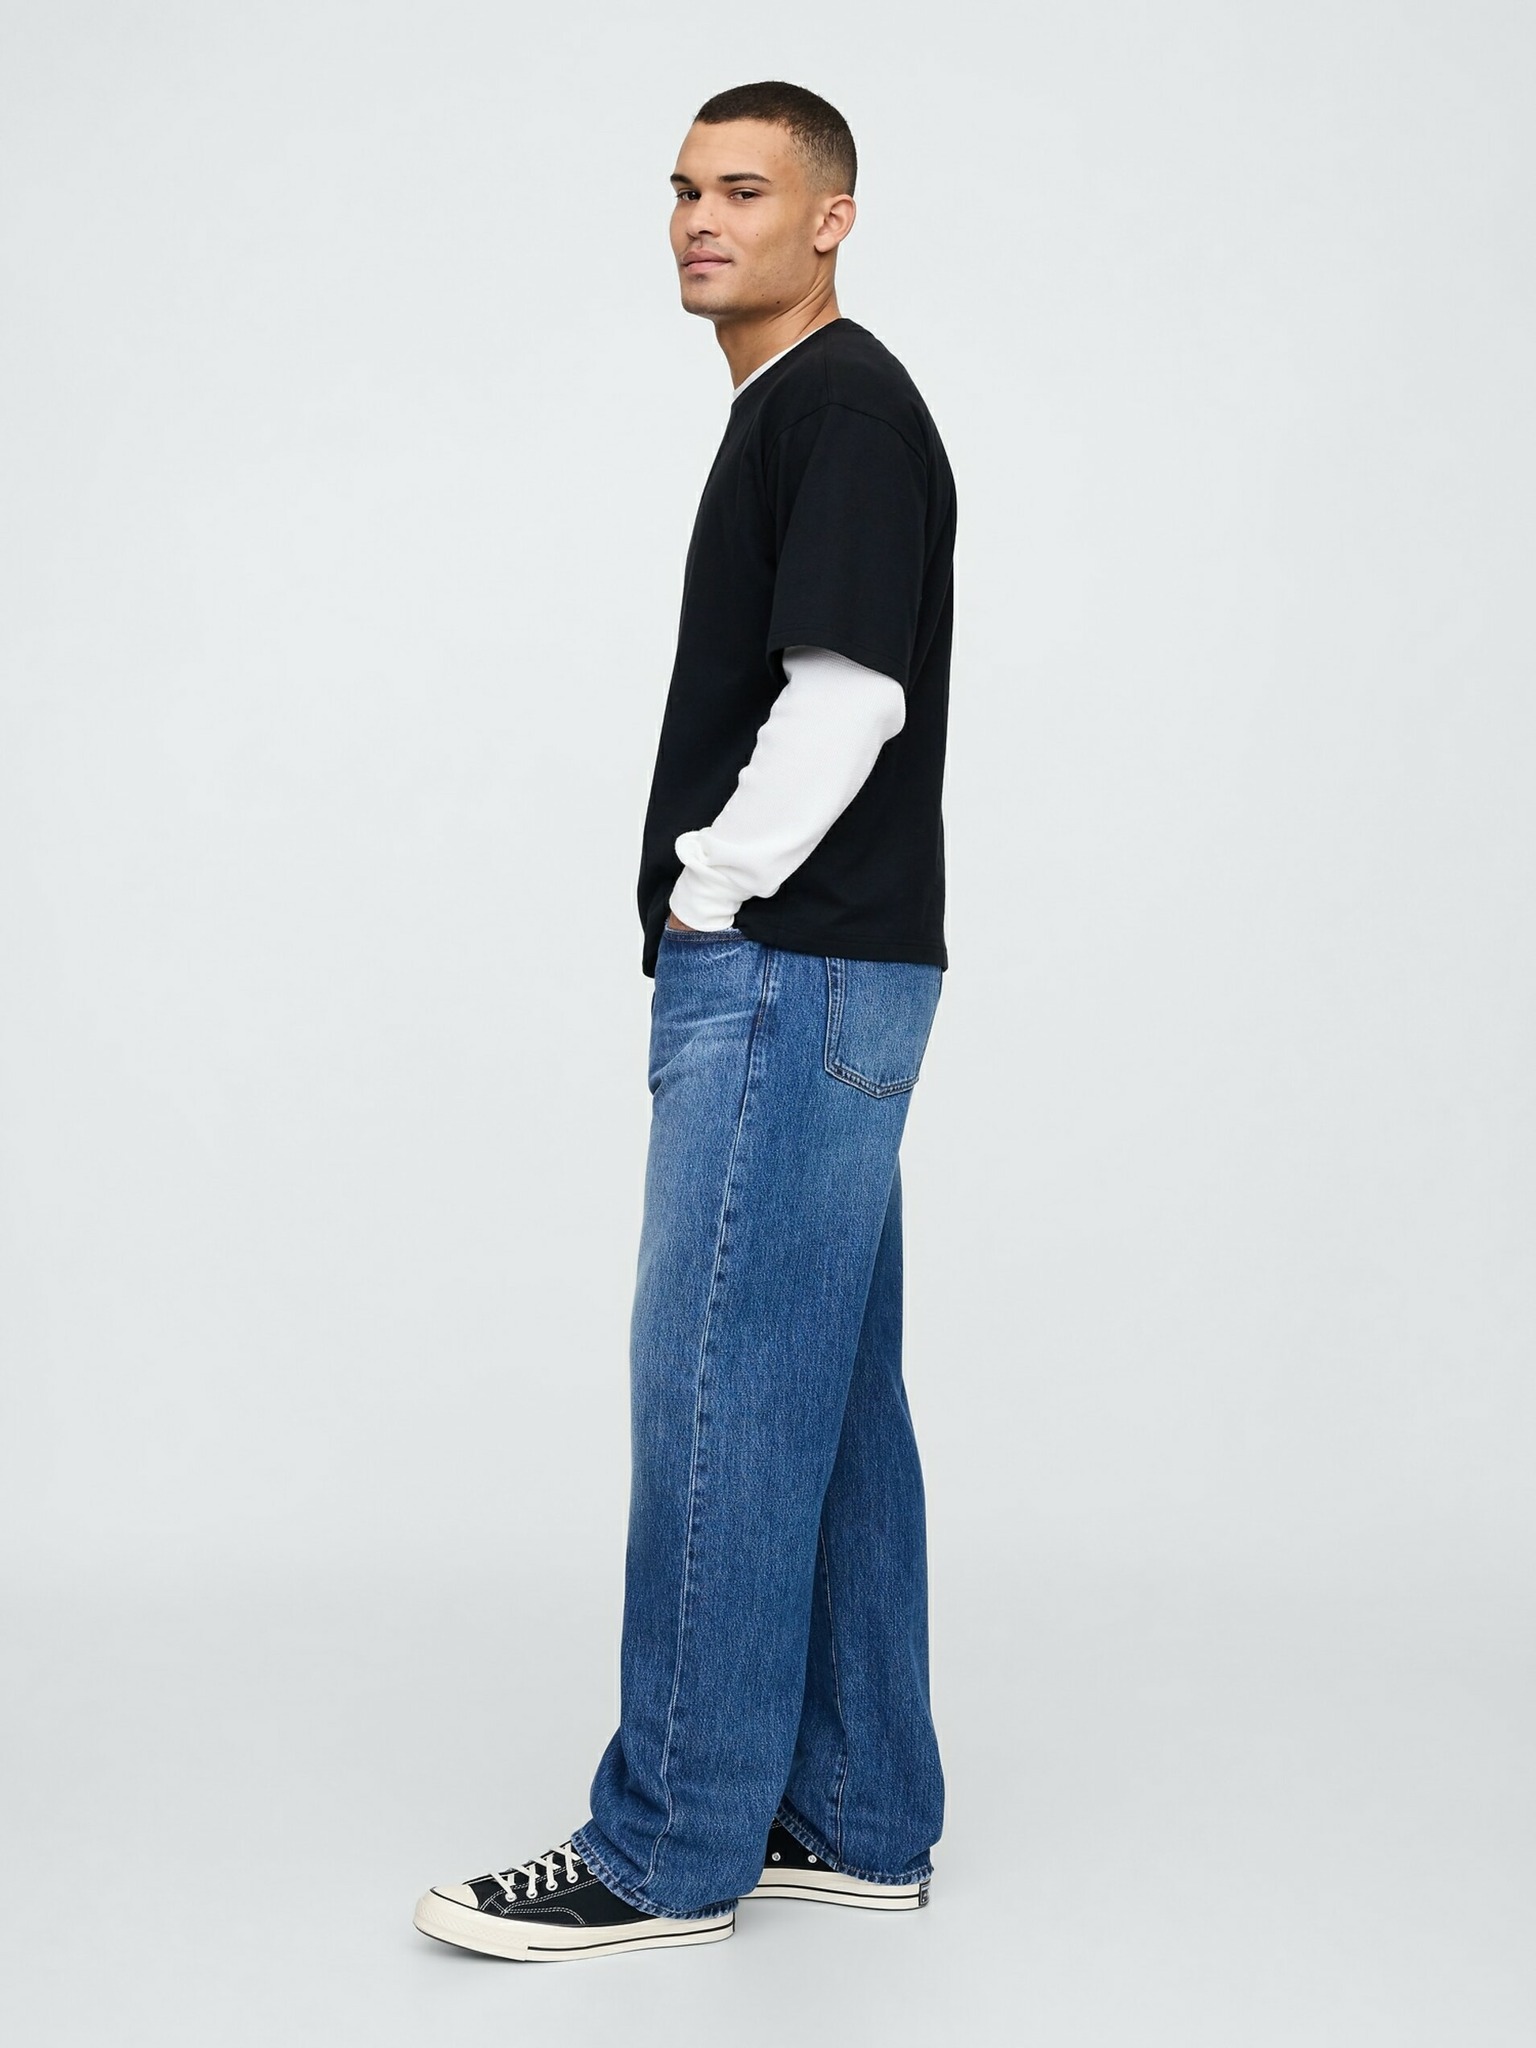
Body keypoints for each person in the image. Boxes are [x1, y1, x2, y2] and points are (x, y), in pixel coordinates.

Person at [414, 78, 957, 1964]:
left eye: (745, 190)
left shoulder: (837, 405)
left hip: (789, 969)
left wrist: (707, 891)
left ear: (833, 218)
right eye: (683, 189)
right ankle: (857, 1814)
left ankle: (666, 1847)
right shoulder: (800, 407)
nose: (701, 220)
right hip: (842, 975)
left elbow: (850, 694)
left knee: (720, 1394)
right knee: (829, 1406)